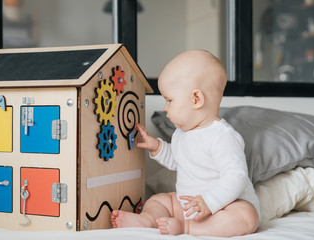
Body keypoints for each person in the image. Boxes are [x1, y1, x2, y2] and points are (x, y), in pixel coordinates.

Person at [111, 50, 260, 237]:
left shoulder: (222, 136)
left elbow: (235, 176)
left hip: (223, 207)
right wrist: (157, 147)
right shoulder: (181, 133)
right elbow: (178, 159)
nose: (165, 108)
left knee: (247, 216)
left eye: (169, 100)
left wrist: (209, 201)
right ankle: (148, 221)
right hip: (188, 205)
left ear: (196, 99)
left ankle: (189, 228)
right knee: (160, 200)